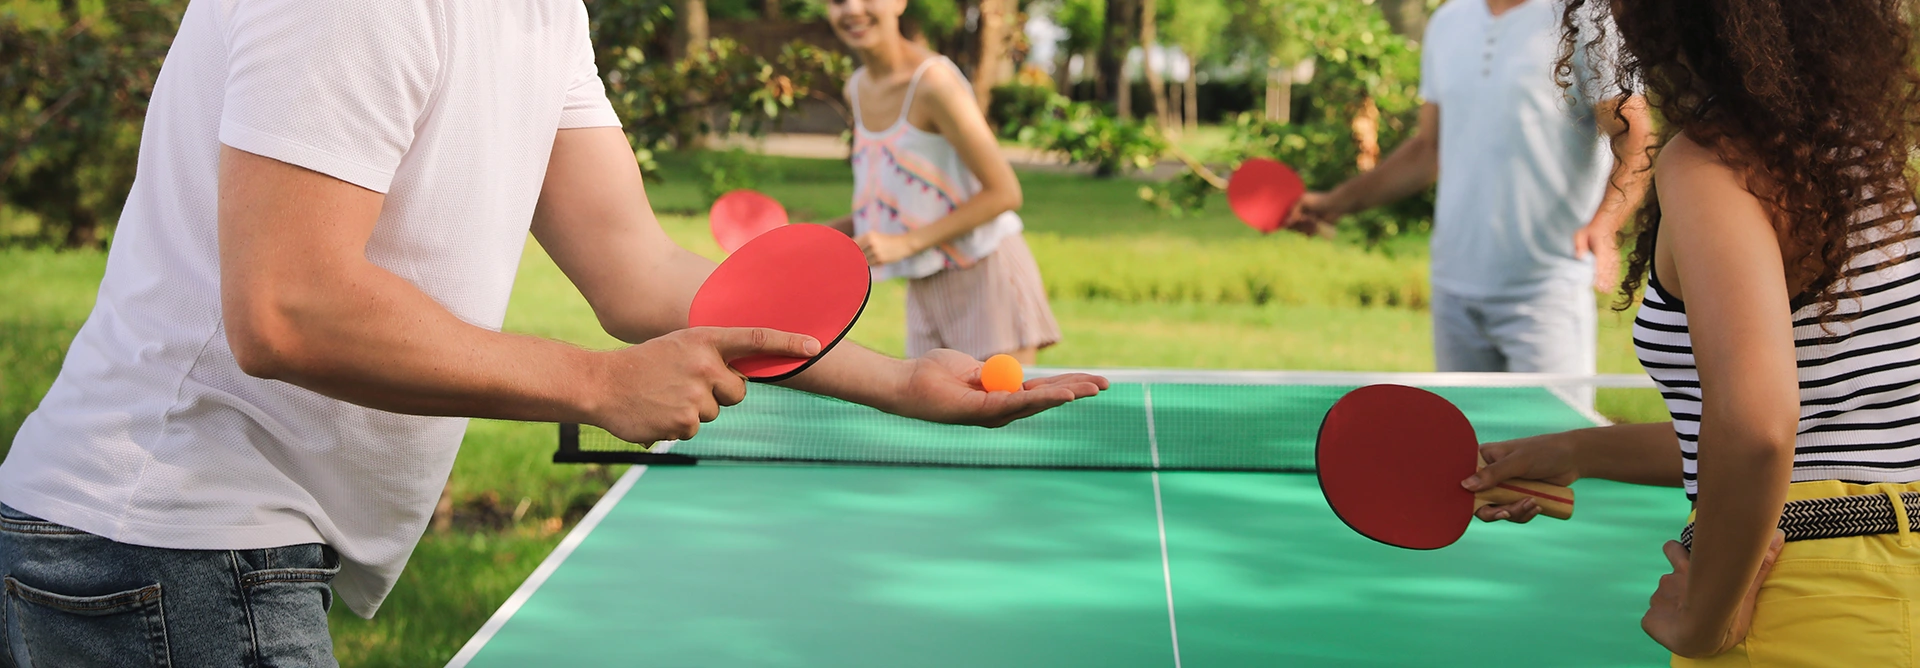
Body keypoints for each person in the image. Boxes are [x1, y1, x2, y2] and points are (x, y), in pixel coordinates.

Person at [0, 0, 1107, 664]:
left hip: (218, 545)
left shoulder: (543, 11)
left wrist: (901, 381)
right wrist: (593, 384)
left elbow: (636, 269)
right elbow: (287, 304)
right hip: (157, 537)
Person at [1469, 0, 1920, 664]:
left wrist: (1703, 623)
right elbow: (1825, 436)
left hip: (1804, 595)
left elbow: (1759, 428)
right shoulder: (1852, 155)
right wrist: (1578, 453)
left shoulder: (1710, 162)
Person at [1288, 0, 1654, 397]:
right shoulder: (1449, 20)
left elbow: (1635, 133)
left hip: (1545, 288)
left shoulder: (1584, 16)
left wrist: (1606, 223)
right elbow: (1429, 149)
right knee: (1468, 452)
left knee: (1554, 448)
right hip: (1454, 288)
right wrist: (1333, 203)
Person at [821, 0, 1062, 365]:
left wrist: (905, 243)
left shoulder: (934, 82)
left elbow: (1005, 193)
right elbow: (892, 201)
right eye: (838, 0)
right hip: (925, 285)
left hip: (984, 275)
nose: (853, 9)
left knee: (999, 415)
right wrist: (818, 236)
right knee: (931, 419)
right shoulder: (855, 88)